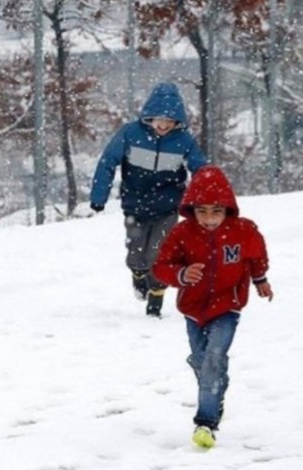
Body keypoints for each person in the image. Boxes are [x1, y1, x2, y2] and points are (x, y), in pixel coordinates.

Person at [152, 166, 273, 449]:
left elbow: (257, 254)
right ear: (191, 209)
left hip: (227, 306)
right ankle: (215, 386)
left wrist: (260, 279)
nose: (208, 219)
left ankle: (205, 422)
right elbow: (161, 266)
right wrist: (181, 274)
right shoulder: (182, 232)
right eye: (202, 211)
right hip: (193, 309)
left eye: (216, 211)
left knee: (214, 357)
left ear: (228, 209)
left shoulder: (243, 230)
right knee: (201, 360)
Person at [90, 82, 207, 318]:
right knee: (136, 253)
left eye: (170, 121)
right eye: (159, 120)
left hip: (168, 207)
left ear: (178, 121)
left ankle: (156, 296)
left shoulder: (183, 141)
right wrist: (98, 196)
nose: (164, 125)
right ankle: (138, 274)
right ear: (149, 117)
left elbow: (201, 170)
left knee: (160, 253)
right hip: (135, 205)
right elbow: (107, 162)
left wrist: (205, 199)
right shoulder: (130, 134)